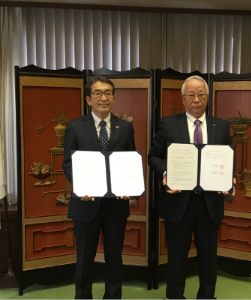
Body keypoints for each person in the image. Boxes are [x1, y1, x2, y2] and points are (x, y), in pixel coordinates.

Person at [148, 75, 235, 299]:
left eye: (201, 95)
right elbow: (153, 156)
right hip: (178, 202)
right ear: (183, 99)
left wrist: (229, 178)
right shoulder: (167, 124)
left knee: (208, 257)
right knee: (177, 256)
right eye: (191, 95)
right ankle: (175, 296)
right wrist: (166, 174)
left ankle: (207, 296)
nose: (196, 100)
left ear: (207, 98)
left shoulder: (221, 126)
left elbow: (227, 159)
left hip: (209, 203)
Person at [63, 75, 138, 299]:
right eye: (97, 93)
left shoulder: (124, 127)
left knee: (114, 258)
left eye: (108, 93)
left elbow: (130, 161)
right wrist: (80, 185)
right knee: (85, 258)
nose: (103, 97)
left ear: (114, 98)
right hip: (86, 203)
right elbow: (68, 162)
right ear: (88, 99)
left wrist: (130, 186)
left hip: (116, 204)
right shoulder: (75, 126)